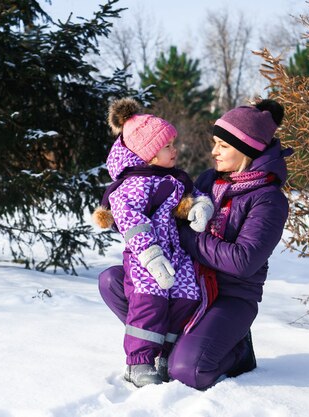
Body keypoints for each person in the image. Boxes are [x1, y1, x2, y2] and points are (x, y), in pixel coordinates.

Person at [98, 99, 293, 390]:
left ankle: (237, 351)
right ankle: (163, 345)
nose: (213, 151)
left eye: (222, 146)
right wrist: (127, 218)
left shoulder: (268, 199)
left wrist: (187, 238)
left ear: (247, 149)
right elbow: (166, 213)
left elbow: (243, 261)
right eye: (215, 143)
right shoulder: (208, 180)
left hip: (230, 296)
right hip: (188, 282)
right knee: (112, 280)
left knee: (188, 372)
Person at [92, 98, 215, 387]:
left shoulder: (174, 178)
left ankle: (165, 357)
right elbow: (129, 218)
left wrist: (200, 207)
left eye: (173, 144)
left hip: (178, 254)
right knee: (149, 302)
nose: (175, 150)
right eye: (168, 146)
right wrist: (150, 255)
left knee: (187, 297)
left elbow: (193, 196)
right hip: (145, 256)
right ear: (148, 154)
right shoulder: (133, 184)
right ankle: (139, 363)